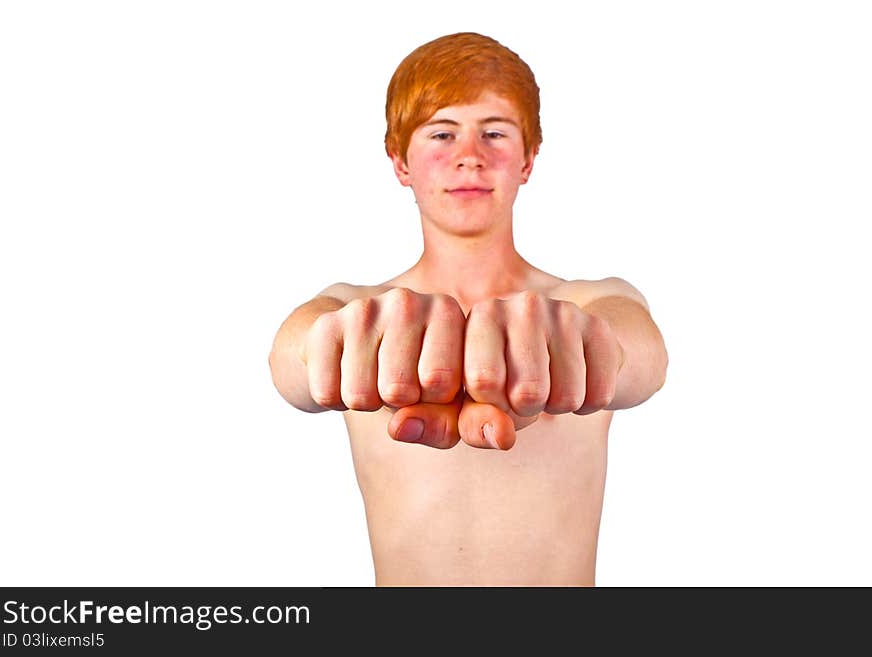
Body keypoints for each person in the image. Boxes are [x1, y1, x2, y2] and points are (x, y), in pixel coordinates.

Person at [268, 32, 668, 586]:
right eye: (442, 133)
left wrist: (592, 349)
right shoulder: (355, 311)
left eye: (494, 133)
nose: (469, 158)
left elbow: (641, 355)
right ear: (399, 162)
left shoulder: (589, 304)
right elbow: (294, 359)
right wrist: (332, 348)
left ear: (528, 160)